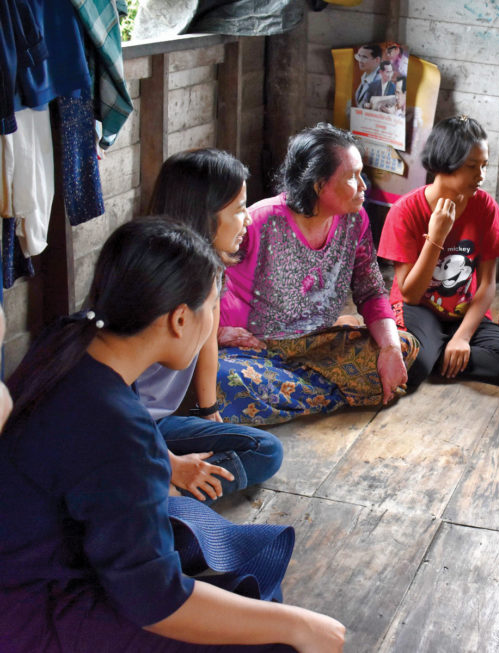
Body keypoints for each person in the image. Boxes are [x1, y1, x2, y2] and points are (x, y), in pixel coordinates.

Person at [0, 220, 345, 651]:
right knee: (275, 640)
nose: (211, 326)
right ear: (180, 318)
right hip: (32, 614)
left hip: (34, 562)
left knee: (223, 561)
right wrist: (298, 627)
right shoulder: (118, 429)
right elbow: (158, 602)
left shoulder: (70, 337)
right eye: (213, 309)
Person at [216, 123, 418, 424]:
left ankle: (290, 395)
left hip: (319, 344)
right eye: (352, 177)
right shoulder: (260, 221)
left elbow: (371, 290)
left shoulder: (355, 220)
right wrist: (216, 332)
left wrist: (388, 349)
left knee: (405, 347)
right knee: (224, 379)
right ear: (318, 185)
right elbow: (206, 280)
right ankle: (333, 392)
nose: (364, 185)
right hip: (256, 349)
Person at [138, 148, 284, 502]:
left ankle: (163, 492)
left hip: (157, 426)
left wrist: (208, 410)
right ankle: (158, 496)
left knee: (265, 449)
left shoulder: (211, 271)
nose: (247, 218)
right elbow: (112, 394)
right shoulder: (154, 280)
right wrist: (170, 463)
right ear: (203, 215)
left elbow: (208, 342)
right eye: (237, 209)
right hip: (122, 428)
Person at [378, 115, 499, 388]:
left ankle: (441, 354)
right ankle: (436, 356)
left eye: (484, 165)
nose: (481, 176)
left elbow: (487, 285)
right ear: (445, 163)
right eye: (472, 166)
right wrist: (436, 236)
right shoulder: (405, 212)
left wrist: (462, 337)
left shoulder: (485, 207)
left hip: (462, 311)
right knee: (414, 365)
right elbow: (410, 295)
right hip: (417, 310)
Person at [353, 44, 383, 108]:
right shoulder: (365, 76)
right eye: (359, 56)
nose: (360, 61)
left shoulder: (380, 81)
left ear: (377, 60)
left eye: (364, 57)